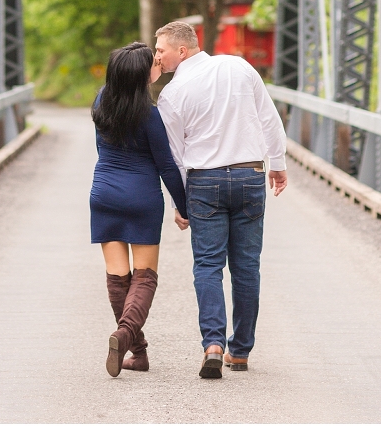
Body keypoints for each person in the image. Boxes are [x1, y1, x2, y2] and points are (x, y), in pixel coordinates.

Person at [153, 20, 287, 379]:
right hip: (249, 175)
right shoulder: (238, 66)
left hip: (205, 181)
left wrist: (179, 203)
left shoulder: (171, 94)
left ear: (181, 50)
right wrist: (278, 164)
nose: (157, 57)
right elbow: (269, 119)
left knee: (208, 266)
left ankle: (213, 345)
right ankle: (240, 351)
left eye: (161, 50)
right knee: (246, 266)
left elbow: (175, 156)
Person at [90, 42, 188, 377]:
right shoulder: (150, 115)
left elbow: (101, 147)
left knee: (118, 278)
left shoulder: (101, 100)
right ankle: (124, 335)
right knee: (144, 278)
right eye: (152, 62)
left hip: (104, 194)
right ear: (141, 76)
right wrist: (183, 205)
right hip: (142, 198)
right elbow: (167, 167)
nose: (157, 63)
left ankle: (138, 352)